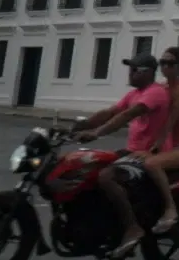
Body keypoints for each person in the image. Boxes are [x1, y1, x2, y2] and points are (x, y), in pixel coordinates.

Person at [73, 53, 171, 259]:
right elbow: (111, 112)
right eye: (130, 69)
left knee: (106, 177)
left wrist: (96, 133)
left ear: (148, 73)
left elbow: (126, 115)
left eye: (134, 70)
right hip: (130, 152)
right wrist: (80, 125)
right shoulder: (134, 93)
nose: (130, 74)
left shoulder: (155, 92)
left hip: (147, 154)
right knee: (86, 168)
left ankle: (132, 227)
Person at [137, 46, 179, 234]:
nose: (165, 67)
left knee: (151, 164)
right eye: (162, 63)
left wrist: (155, 146)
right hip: (170, 147)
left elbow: (170, 121)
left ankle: (170, 208)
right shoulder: (162, 88)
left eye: (170, 63)